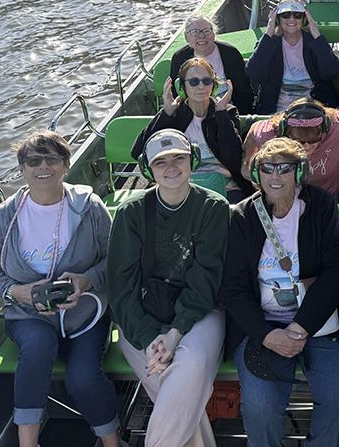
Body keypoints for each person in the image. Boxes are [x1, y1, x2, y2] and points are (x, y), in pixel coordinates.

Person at [0, 131, 121, 447]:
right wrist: (17, 292)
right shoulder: (3, 218)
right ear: (22, 170)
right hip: (28, 315)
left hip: (85, 315)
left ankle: (114, 444)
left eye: (52, 159)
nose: (43, 166)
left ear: (66, 166)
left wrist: (86, 280)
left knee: (83, 377)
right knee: (38, 345)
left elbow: (116, 260)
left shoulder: (91, 208)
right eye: (33, 161)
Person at [221, 138, 339, 447]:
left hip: (318, 320)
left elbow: (335, 272)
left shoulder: (321, 205)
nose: (275, 176)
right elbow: (234, 288)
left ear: (299, 171)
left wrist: (301, 326)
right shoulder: (242, 216)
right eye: (267, 168)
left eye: (285, 168)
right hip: (263, 325)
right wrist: (266, 335)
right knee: (260, 408)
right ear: (256, 173)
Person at [108, 129, 230, 447]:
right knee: (173, 380)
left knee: (190, 366)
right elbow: (121, 287)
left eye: (179, 158)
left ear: (193, 160)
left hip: (201, 310)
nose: (171, 167)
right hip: (140, 316)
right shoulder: (130, 213)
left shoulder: (213, 208)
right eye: (160, 162)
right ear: (148, 169)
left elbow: (206, 278)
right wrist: (149, 337)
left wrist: (176, 333)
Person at [131, 57, 253, 203]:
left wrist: (221, 115)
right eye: (194, 82)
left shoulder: (227, 112)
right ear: (182, 87)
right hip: (177, 182)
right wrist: (166, 114)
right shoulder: (175, 114)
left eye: (207, 81)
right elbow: (138, 151)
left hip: (225, 185)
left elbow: (232, 156)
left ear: (214, 85)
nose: (201, 86)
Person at [242, 98, 339, 199]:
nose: (306, 146)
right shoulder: (270, 134)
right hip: (286, 199)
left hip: (328, 196)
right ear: (285, 131)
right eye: (298, 140)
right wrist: (246, 164)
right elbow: (254, 129)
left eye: (313, 138)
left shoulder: (336, 126)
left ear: (325, 128)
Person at [246, 0, 339, 113]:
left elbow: (332, 72)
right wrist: (269, 31)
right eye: (285, 15)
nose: (292, 19)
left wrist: (317, 35)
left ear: (304, 19)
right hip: (278, 111)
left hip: (314, 109)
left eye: (297, 15)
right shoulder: (270, 43)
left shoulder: (314, 42)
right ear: (278, 19)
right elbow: (253, 73)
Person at [169, 12, 255, 114]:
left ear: (213, 35)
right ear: (186, 37)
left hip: (228, 111)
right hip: (192, 113)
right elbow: (177, 93)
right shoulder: (179, 58)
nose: (202, 36)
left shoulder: (230, 53)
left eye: (206, 31)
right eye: (195, 32)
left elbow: (243, 92)